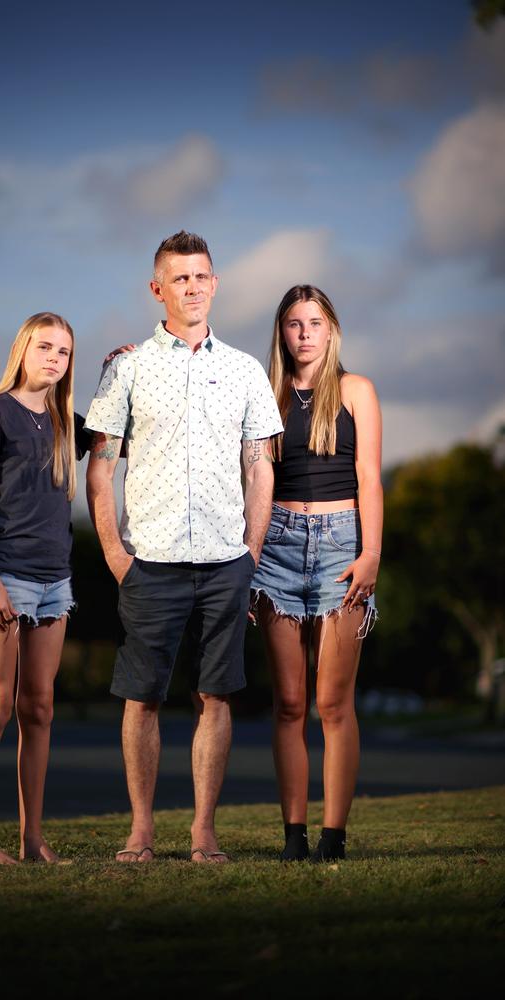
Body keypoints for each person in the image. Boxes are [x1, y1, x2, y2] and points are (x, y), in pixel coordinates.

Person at [85, 231, 283, 863]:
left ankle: (203, 830)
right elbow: (99, 469)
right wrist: (116, 554)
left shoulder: (246, 370)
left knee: (215, 695)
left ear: (215, 283)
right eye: (180, 279)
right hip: (152, 561)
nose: (192, 288)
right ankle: (141, 830)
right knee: (142, 697)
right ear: (158, 288)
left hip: (227, 560)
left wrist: (250, 552)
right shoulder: (128, 367)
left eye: (202, 277)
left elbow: (260, 469)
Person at [250, 285, 382, 863]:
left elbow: (370, 477)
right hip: (274, 548)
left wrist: (372, 552)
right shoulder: (265, 394)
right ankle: (294, 837)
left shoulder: (357, 391)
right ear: (282, 332)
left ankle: (333, 838)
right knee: (289, 703)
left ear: (331, 330)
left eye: (315, 322)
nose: (304, 333)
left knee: (333, 702)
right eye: (294, 324)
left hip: (340, 548)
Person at [0, 311, 90, 864]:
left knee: (39, 708)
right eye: (45, 347)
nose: (54, 359)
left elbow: (130, 437)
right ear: (22, 350)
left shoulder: (68, 424)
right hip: (4, 576)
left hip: (55, 583)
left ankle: (32, 839)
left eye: (63, 352)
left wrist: (129, 367)